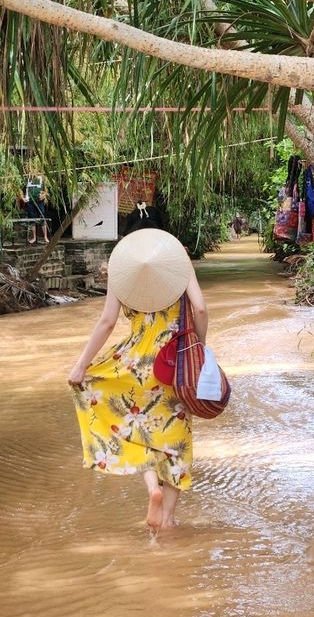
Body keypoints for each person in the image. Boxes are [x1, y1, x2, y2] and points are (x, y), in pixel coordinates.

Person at [67, 217, 208, 532]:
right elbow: (199, 308)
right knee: (175, 439)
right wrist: (199, 349)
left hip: (133, 366)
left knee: (138, 427)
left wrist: (81, 365)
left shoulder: (122, 272)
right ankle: (168, 520)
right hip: (172, 365)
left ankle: (152, 490)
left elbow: (106, 322)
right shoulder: (180, 262)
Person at [22, 173, 49, 244]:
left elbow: (46, 191)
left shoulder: (41, 178)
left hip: (39, 201)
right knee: (32, 219)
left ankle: (45, 237)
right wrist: (23, 198)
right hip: (29, 201)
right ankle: (34, 237)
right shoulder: (26, 178)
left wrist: (43, 195)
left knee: (43, 217)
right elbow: (21, 190)